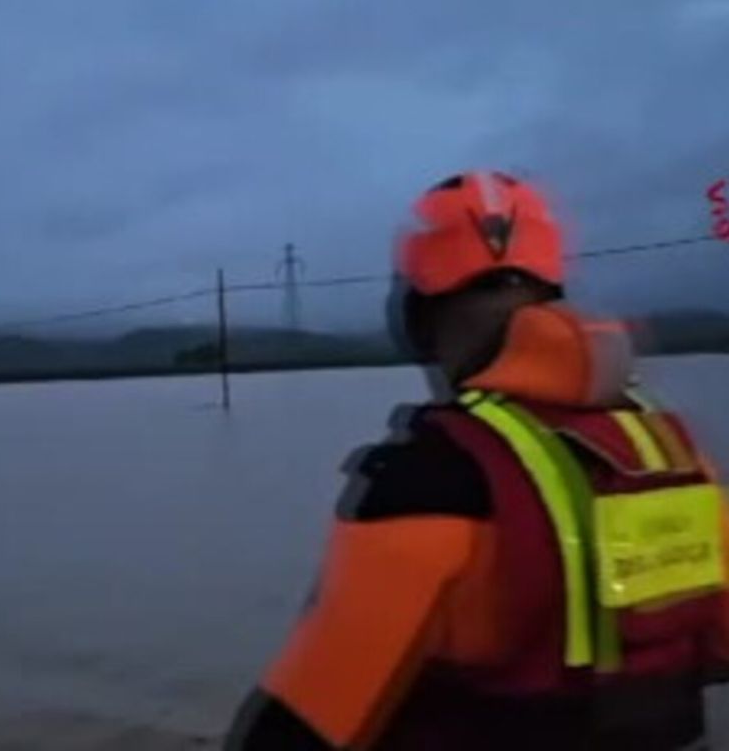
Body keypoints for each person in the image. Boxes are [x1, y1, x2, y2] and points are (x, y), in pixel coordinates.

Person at [225, 171, 729, 750]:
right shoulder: (667, 447)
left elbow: (310, 719)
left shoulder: (425, 473)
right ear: (550, 295)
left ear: (414, 321)